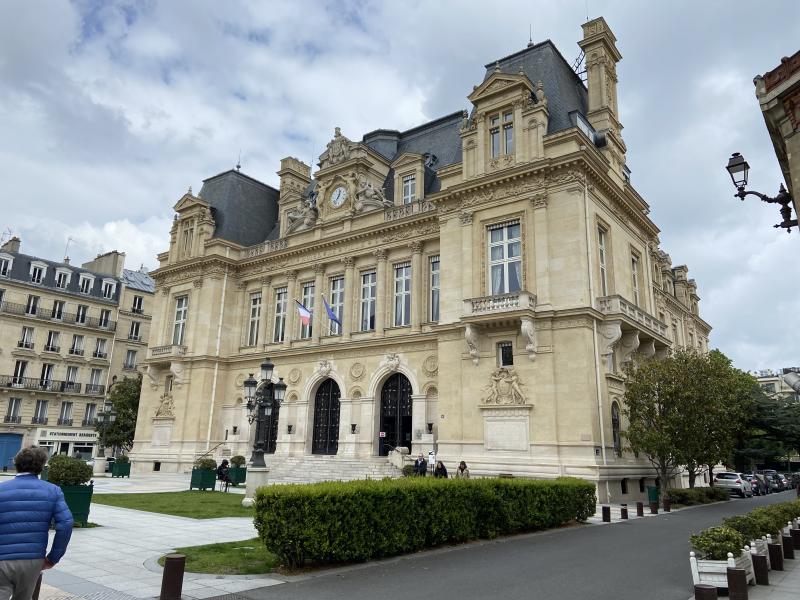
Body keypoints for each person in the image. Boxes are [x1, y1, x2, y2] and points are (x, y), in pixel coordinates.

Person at [0, 446, 73, 600]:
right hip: (32, 559)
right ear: (41, 467)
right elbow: (66, 524)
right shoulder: (53, 491)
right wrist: (53, 557)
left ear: (16, 464)